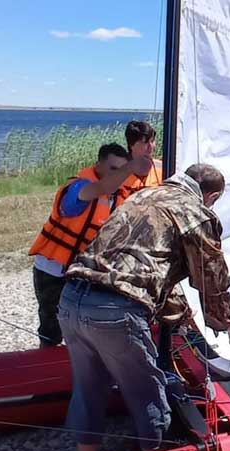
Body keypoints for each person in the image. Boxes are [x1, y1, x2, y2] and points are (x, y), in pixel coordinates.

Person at [59, 163, 230, 451]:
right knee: (146, 390)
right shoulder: (195, 213)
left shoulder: (143, 196)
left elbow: (153, 269)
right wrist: (221, 320)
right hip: (115, 309)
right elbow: (211, 275)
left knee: (88, 385)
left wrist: (182, 317)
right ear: (213, 195)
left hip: (72, 297)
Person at [28, 143, 153, 347]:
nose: (119, 174)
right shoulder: (79, 188)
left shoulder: (119, 196)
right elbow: (103, 187)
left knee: (84, 327)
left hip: (85, 272)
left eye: (122, 168)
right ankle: (47, 360)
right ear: (98, 165)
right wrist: (130, 167)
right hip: (53, 271)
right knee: (51, 328)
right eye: (114, 169)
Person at [117, 120, 164, 203]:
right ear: (132, 145)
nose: (151, 147)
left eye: (152, 141)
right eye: (145, 142)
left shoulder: (164, 169)